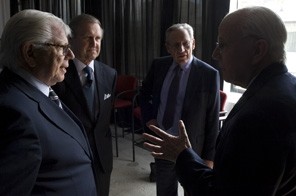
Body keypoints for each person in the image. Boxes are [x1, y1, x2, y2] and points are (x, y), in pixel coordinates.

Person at [143, 6, 296, 196]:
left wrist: (190, 156)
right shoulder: (284, 87)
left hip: (192, 149)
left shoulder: (261, 116)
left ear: (258, 50)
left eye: (222, 45)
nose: (215, 54)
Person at [0, 9, 97, 195]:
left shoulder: (38, 89)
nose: (71, 55)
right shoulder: (12, 112)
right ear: (30, 52)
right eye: (62, 47)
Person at [139, 23, 220, 195]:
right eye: (175, 45)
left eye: (186, 43)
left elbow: (212, 119)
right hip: (163, 141)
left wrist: (209, 158)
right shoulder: (159, 66)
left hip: (192, 147)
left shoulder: (209, 74)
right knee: (165, 190)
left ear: (194, 43)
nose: (181, 49)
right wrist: (149, 119)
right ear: (168, 47)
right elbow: (143, 94)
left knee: (193, 191)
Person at [52, 14, 117, 196]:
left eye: (97, 38)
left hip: (102, 157)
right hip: (70, 158)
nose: (94, 43)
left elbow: (104, 119)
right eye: (88, 38)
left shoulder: (110, 74)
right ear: (70, 40)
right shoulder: (57, 74)